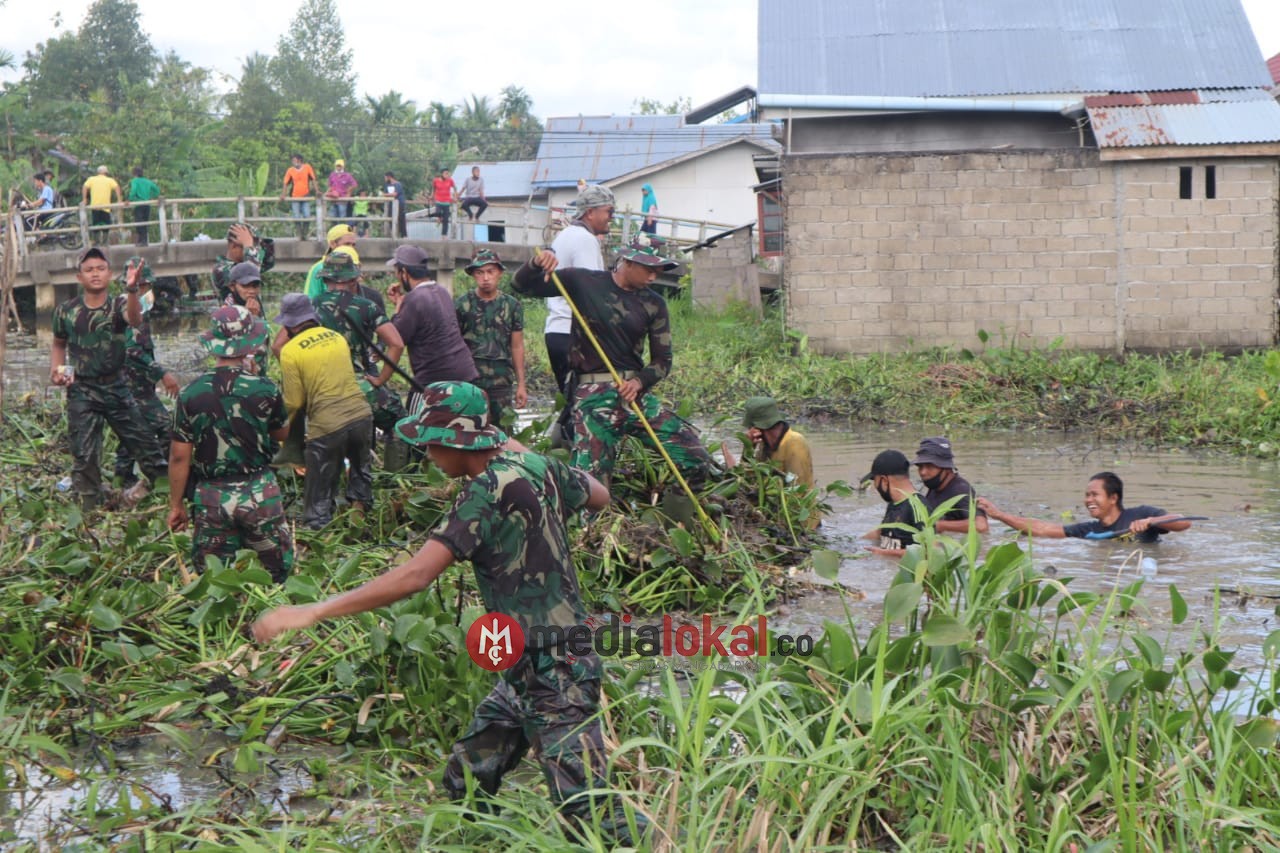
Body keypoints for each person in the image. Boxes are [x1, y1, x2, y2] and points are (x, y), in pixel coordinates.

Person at [251, 381, 640, 845]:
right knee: (469, 774)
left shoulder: (484, 492)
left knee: (590, 810)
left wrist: (313, 611)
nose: (429, 454)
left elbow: (415, 576)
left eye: (432, 443)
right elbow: (598, 494)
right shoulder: (534, 466)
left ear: (457, 440)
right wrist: (507, 442)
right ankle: (467, 840)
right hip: (522, 664)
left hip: (557, 669)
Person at [513, 236, 715, 484]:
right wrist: (536, 262)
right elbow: (521, 286)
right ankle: (584, 518)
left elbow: (663, 360)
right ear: (627, 261)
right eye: (649, 269)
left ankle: (679, 518)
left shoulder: (654, 303)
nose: (653, 277)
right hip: (592, 395)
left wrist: (639, 383)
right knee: (591, 482)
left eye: (658, 271)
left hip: (633, 396)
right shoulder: (583, 281)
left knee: (695, 457)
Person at [168, 306, 294, 581]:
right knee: (277, 572)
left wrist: (176, 505)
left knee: (214, 578)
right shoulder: (265, 388)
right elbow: (282, 434)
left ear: (214, 347)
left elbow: (179, 457)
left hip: (212, 495)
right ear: (249, 346)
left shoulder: (190, 394)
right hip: (259, 491)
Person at [50, 248, 168, 511]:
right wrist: (56, 369)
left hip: (116, 386)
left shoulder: (119, 305)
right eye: (89, 269)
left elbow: (134, 319)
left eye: (100, 268)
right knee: (84, 455)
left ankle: (164, 494)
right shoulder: (66, 311)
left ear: (109, 274)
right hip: (81, 389)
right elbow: (58, 343)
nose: (95, 273)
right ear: (79, 277)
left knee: (145, 444)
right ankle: (90, 508)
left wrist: (133, 289)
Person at [276, 293, 375, 528]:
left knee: (319, 490)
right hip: (362, 416)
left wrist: (285, 437)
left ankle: (320, 534)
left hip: (328, 427)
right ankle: (358, 516)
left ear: (289, 324)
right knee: (361, 469)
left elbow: (294, 402)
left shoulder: (290, 351)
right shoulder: (336, 337)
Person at [311, 251, 408, 442]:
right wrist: (380, 380)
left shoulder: (310, 306)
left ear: (325, 278)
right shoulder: (366, 306)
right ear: (353, 278)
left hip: (321, 387)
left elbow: (280, 346)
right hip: (358, 385)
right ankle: (394, 465)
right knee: (402, 423)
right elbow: (396, 344)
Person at [538, 185, 615, 399]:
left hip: (558, 330)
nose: (612, 217)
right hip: (573, 335)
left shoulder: (567, 235)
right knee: (586, 406)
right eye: (609, 211)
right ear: (590, 212)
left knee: (572, 405)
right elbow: (591, 292)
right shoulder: (583, 239)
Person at [977, 472, 1194, 543]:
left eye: (1094, 495)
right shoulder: (1090, 531)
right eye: (1086, 495)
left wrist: (1151, 522)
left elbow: (1184, 523)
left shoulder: (1141, 514)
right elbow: (1043, 529)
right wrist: (998, 515)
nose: (1089, 500)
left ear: (1113, 498)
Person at [113, 258, 180, 488]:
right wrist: (162, 373)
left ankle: (121, 478)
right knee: (165, 426)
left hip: (137, 386)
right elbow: (132, 351)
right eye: (143, 286)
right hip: (133, 387)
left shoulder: (139, 309)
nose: (146, 290)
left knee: (132, 430)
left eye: (147, 286)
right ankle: (162, 476)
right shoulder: (128, 309)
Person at [387, 245, 479, 408]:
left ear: (404, 273)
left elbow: (395, 338)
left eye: (397, 272)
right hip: (465, 374)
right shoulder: (441, 291)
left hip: (433, 381)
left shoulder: (414, 299)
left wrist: (398, 308)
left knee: (413, 427)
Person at [455, 249, 526, 428]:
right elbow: (454, 345)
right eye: (479, 272)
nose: (485, 278)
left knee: (502, 436)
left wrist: (521, 384)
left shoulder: (512, 305)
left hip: (501, 381)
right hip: (471, 380)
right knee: (470, 432)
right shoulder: (462, 305)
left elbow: (517, 346)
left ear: (499, 273)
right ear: (473, 275)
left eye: (490, 272)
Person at [723, 396, 814, 488]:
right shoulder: (764, 445)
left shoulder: (794, 442)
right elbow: (749, 479)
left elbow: (798, 489)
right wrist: (749, 449)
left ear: (757, 427)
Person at [912, 436, 989, 533]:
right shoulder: (935, 486)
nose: (923, 472)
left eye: (929, 466)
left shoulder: (960, 490)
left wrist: (940, 525)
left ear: (946, 468)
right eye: (920, 467)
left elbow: (981, 526)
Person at [860, 450, 927, 557]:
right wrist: (856, 544)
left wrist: (884, 553)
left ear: (884, 480)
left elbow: (929, 552)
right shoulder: (894, 503)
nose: (875, 487)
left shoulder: (918, 506)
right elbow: (881, 532)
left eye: (875, 480)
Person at [213, 223, 276, 302]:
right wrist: (248, 244)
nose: (254, 250)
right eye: (249, 247)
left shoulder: (248, 261)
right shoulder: (221, 269)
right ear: (234, 246)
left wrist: (253, 243)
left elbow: (269, 261)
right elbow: (250, 271)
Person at [304, 224, 359, 300]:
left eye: (353, 245)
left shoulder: (355, 264)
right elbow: (310, 300)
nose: (351, 248)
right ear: (332, 244)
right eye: (347, 244)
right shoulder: (318, 269)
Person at [81, 165, 122, 243]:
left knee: (95, 224)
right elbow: (117, 187)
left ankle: (97, 242)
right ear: (106, 172)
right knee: (106, 225)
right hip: (106, 207)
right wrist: (119, 199)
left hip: (95, 206)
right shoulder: (109, 180)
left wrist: (84, 199)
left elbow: (84, 187)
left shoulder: (91, 179)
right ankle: (104, 242)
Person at [281, 154, 317, 239]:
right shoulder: (290, 170)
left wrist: (317, 191)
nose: (293, 162)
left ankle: (305, 234)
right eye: (292, 161)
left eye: (294, 160)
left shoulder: (307, 167)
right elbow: (285, 183)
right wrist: (283, 194)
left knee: (307, 215)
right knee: (296, 216)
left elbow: (313, 179)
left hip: (305, 195)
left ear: (300, 160)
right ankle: (299, 234)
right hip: (295, 196)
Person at [126, 167, 160, 246]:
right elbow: (157, 190)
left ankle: (142, 241)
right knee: (145, 222)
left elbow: (133, 190)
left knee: (139, 223)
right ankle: (143, 241)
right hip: (147, 204)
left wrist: (129, 199)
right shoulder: (147, 181)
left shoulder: (135, 181)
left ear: (135, 174)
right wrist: (152, 196)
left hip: (139, 204)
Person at [431, 168, 457, 237]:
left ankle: (444, 235)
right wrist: (432, 196)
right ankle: (439, 218)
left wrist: (455, 197)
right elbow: (433, 189)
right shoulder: (436, 180)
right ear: (442, 174)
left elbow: (455, 188)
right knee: (437, 212)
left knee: (445, 220)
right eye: (446, 173)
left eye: (448, 173)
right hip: (438, 201)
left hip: (447, 202)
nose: (447, 175)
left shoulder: (450, 180)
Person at [383, 172, 407, 238]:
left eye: (385, 177)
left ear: (389, 177)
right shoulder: (387, 185)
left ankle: (403, 235)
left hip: (399, 204)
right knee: (390, 218)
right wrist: (385, 195)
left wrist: (384, 194)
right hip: (391, 204)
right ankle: (393, 234)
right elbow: (385, 194)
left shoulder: (398, 184)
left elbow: (394, 194)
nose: (384, 179)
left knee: (401, 219)